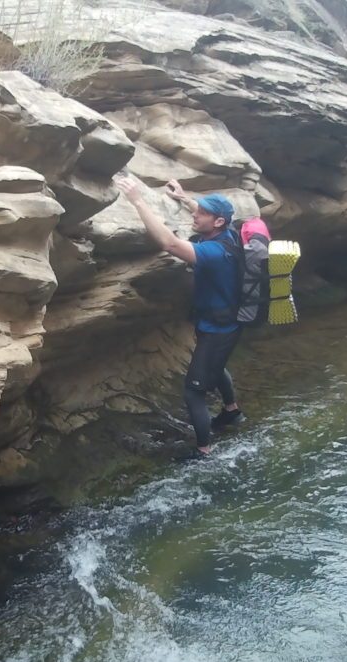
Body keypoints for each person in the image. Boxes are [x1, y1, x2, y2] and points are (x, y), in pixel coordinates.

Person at [115, 175, 245, 459]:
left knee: (193, 393)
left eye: (202, 213)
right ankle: (232, 411)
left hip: (218, 330)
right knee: (216, 366)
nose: (196, 215)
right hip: (225, 322)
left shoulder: (212, 252)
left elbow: (170, 244)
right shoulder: (230, 235)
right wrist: (185, 198)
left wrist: (137, 200)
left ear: (218, 222)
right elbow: (206, 216)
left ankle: (203, 451)